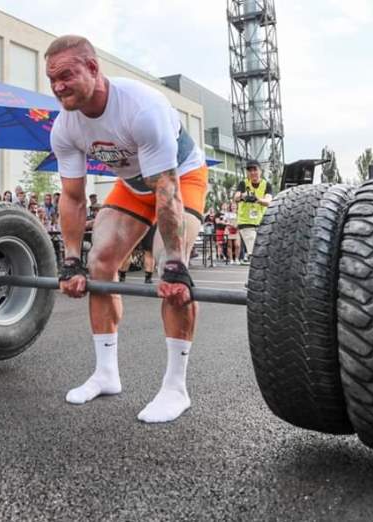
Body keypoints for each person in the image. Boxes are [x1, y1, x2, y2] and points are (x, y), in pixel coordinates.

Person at [47, 35, 208, 423]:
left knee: (170, 271)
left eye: (66, 75)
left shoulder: (141, 108)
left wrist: (175, 265)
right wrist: (71, 261)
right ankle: (106, 374)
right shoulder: (64, 127)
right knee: (99, 262)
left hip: (178, 179)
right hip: (134, 185)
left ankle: (175, 387)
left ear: (93, 68)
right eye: (51, 79)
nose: (58, 86)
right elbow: (72, 196)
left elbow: (167, 189)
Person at [234, 161, 273, 263]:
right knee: (255, 250)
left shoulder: (266, 185)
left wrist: (257, 199)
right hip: (246, 222)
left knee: (264, 250)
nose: (252, 172)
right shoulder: (243, 183)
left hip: (262, 222)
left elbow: (268, 201)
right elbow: (236, 197)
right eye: (250, 170)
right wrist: (243, 196)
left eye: (255, 169)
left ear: (260, 171)